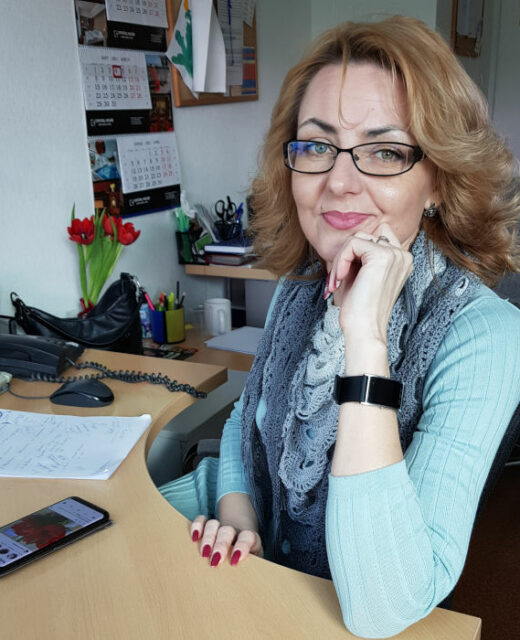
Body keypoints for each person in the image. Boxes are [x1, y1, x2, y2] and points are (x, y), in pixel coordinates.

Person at [159, 15, 520, 638]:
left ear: (437, 180)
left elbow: (385, 606)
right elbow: (247, 418)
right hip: (249, 569)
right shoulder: (302, 282)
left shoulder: (485, 337)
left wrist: (366, 341)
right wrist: (238, 512)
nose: (339, 182)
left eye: (385, 151)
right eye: (317, 146)